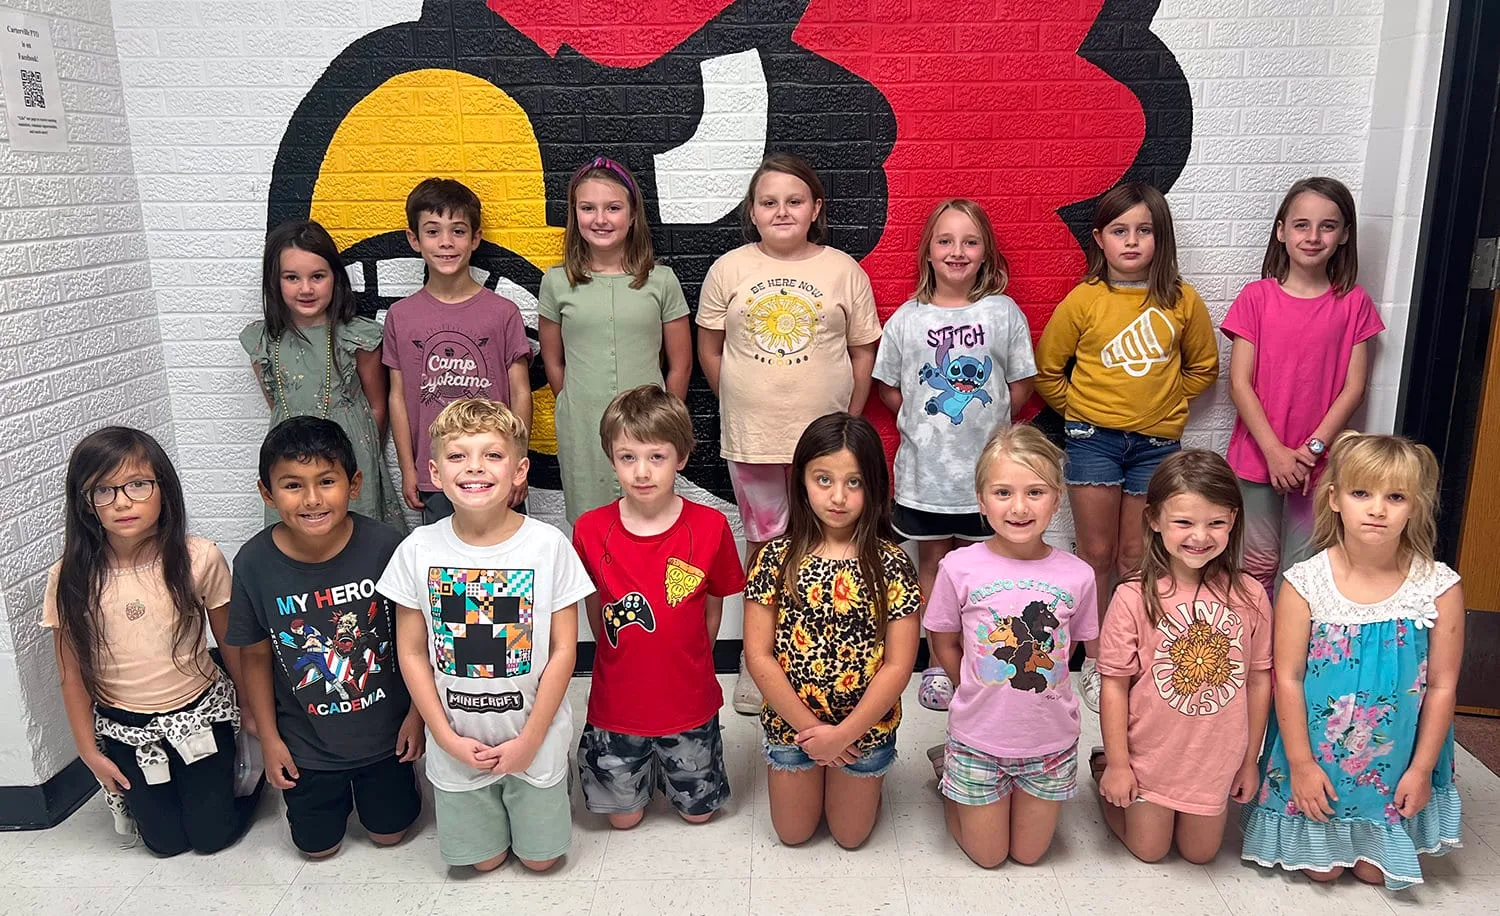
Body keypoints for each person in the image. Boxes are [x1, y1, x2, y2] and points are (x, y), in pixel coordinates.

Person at [697, 153, 883, 715]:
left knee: (832, 541)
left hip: (825, 444)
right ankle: (761, 660)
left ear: (815, 208)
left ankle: (823, 654)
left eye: (795, 201)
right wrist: (738, 396)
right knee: (765, 546)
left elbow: (863, 350)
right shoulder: (728, 269)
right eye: (769, 202)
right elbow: (710, 348)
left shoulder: (843, 270)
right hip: (754, 437)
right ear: (752, 211)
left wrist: (849, 420)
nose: (782, 211)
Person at [377, 398, 593, 872]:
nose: (475, 467)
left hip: (534, 738)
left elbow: (563, 651)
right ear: (435, 472)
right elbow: (411, 653)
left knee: (541, 862)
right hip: (457, 743)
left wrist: (531, 740)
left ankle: (552, 781)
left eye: (492, 455)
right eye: (458, 456)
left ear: (520, 471)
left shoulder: (549, 546)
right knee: (482, 862)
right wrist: (444, 737)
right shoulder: (417, 549)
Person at [1241, 433, 1464, 889]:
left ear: (1415, 506)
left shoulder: (1438, 585)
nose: (1377, 509)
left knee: (1374, 873)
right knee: (1321, 872)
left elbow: (1442, 686)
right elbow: (1288, 678)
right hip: (1318, 756)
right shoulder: (1305, 582)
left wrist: (1421, 770)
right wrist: (1301, 765)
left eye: (1395, 497)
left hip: (1396, 759)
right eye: (1362, 493)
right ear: (1334, 499)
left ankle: (1379, 826)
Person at [1034, 182, 1219, 711]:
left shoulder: (1181, 300)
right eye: (1120, 231)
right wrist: (1083, 410)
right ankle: (1094, 662)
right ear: (1100, 239)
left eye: (1144, 231)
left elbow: (1204, 367)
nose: (1132, 241)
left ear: (1161, 238)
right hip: (1093, 441)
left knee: (1137, 557)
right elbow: (1048, 370)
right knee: (1096, 555)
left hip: (1157, 446)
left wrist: (1165, 405)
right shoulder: (1085, 299)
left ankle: (1128, 654)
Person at [44, 427, 256, 856]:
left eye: (138, 485)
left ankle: (238, 783)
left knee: (211, 838)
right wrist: (88, 750)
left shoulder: (199, 557)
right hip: (125, 727)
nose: (123, 502)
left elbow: (232, 643)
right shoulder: (69, 576)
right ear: (85, 503)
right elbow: (71, 673)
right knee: (164, 843)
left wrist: (252, 714)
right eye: (104, 490)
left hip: (200, 715)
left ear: (164, 488)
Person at [226, 416, 424, 858]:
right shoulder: (254, 563)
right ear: (267, 493)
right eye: (292, 485)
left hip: (385, 736)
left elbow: (416, 641)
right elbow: (255, 655)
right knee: (316, 851)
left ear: (354, 484)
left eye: (327, 481)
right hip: (307, 743)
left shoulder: (386, 546)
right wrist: (269, 739)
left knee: (390, 836)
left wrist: (417, 716)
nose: (312, 499)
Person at [874, 198, 1037, 712]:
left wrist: (985, 425)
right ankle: (936, 663)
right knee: (934, 569)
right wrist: (929, 422)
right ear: (928, 251)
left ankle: (980, 657)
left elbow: (1020, 384)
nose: (957, 251)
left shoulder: (1003, 312)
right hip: (926, 477)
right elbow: (889, 388)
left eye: (970, 241)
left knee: (985, 571)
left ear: (986, 251)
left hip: (989, 477)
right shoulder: (908, 318)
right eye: (945, 241)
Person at [743, 412, 921, 849]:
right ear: (801, 481)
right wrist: (812, 734)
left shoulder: (891, 563)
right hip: (792, 727)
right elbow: (759, 656)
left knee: (850, 837)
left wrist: (842, 736)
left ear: (874, 485)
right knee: (793, 834)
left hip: (864, 731)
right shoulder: (774, 559)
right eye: (823, 480)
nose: (838, 497)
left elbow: (899, 665)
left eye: (854, 482)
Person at [924, 425, 1098, 867]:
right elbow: (942, 638)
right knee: (988, 856)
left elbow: (1071, 649)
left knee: (1029, 854)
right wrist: (970, 681)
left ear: (1057, 499)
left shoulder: (1079, 575)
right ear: (982, 501)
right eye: (1003, 492)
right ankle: (950, 775)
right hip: (978, 738)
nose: (1019, 507)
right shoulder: (957, 567)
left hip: (1050, 742)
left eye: (1035, 492)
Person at [572, 386, 745, 828]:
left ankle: (670, 769)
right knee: (623, 820)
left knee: (699, 816)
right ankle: (641, 772)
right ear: (611, 458)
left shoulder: (710, 526)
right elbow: (596, 609)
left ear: (681, 457)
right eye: (628, 457)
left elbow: (712, 608)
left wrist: (693, 661)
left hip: (688, 698)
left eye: (657, 456)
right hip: (618, 702)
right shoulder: (591, 529)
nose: (642, 471)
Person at [1093, 450, 1272, 864]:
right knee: (1149, 850)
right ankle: (1102, 770)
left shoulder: (1251, 596)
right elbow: (1114, 686)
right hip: (1149, 755)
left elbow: (1258, 679)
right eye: (1184, 522)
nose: (1200, 536)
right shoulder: (1132, 596)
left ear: (1233, 521)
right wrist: (1119, 765)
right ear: (1155, 520)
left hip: (1214, 758)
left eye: (1215, 523)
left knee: (1200, 854)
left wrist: (1250, 761)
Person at [1222, 177, 1384, 598]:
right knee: (1254, 565)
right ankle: (1256, 641)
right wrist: (1275, 452)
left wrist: (1311, 451)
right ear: (1281, 231)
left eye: (1327, 226)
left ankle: (1290, 642)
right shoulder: (1256, 298)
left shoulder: (1354, 304)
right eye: (1301, 225)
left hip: (1319, 463)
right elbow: (1239, 383)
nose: (1313, 236)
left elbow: (1354, 388)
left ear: (1344, 235)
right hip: (1258, 456)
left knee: (1304, 568)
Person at [538, 157, 694, 523]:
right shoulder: (556, 282)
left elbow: (681, 364)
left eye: (613, 208)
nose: (600, 219)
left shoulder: (661, 281)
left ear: (633, 214)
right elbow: (553, 361)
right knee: (590, 521)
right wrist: (573, 402)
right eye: (587, 208)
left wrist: (667, 419)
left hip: (649, 424)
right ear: (574, 214)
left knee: (650, 517)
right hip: (583, 423)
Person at [381, 178, 533, 524]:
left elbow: (521, 392)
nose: (446, 242)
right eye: (433, 232)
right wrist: (409, 469)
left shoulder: (503, 312)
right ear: (414, 240)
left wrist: (517, 462)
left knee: (505, 549)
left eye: (458, 231)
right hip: (436, 474)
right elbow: (398, 397)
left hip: (497, 470)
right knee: (443, 555)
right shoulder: (401, 316)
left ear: (475, 238)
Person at [241, 219, 406, 530]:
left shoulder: (357, 337)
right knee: (300, 535)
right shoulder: (263, 341)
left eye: (317, 276)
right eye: (292, 277)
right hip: (289, 455)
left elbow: (377, 406)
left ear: (335, 278)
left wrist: (363, 456)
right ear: (274, 282)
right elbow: (277, 403)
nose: (306, 288)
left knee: (357, 536)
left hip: (351, 456)